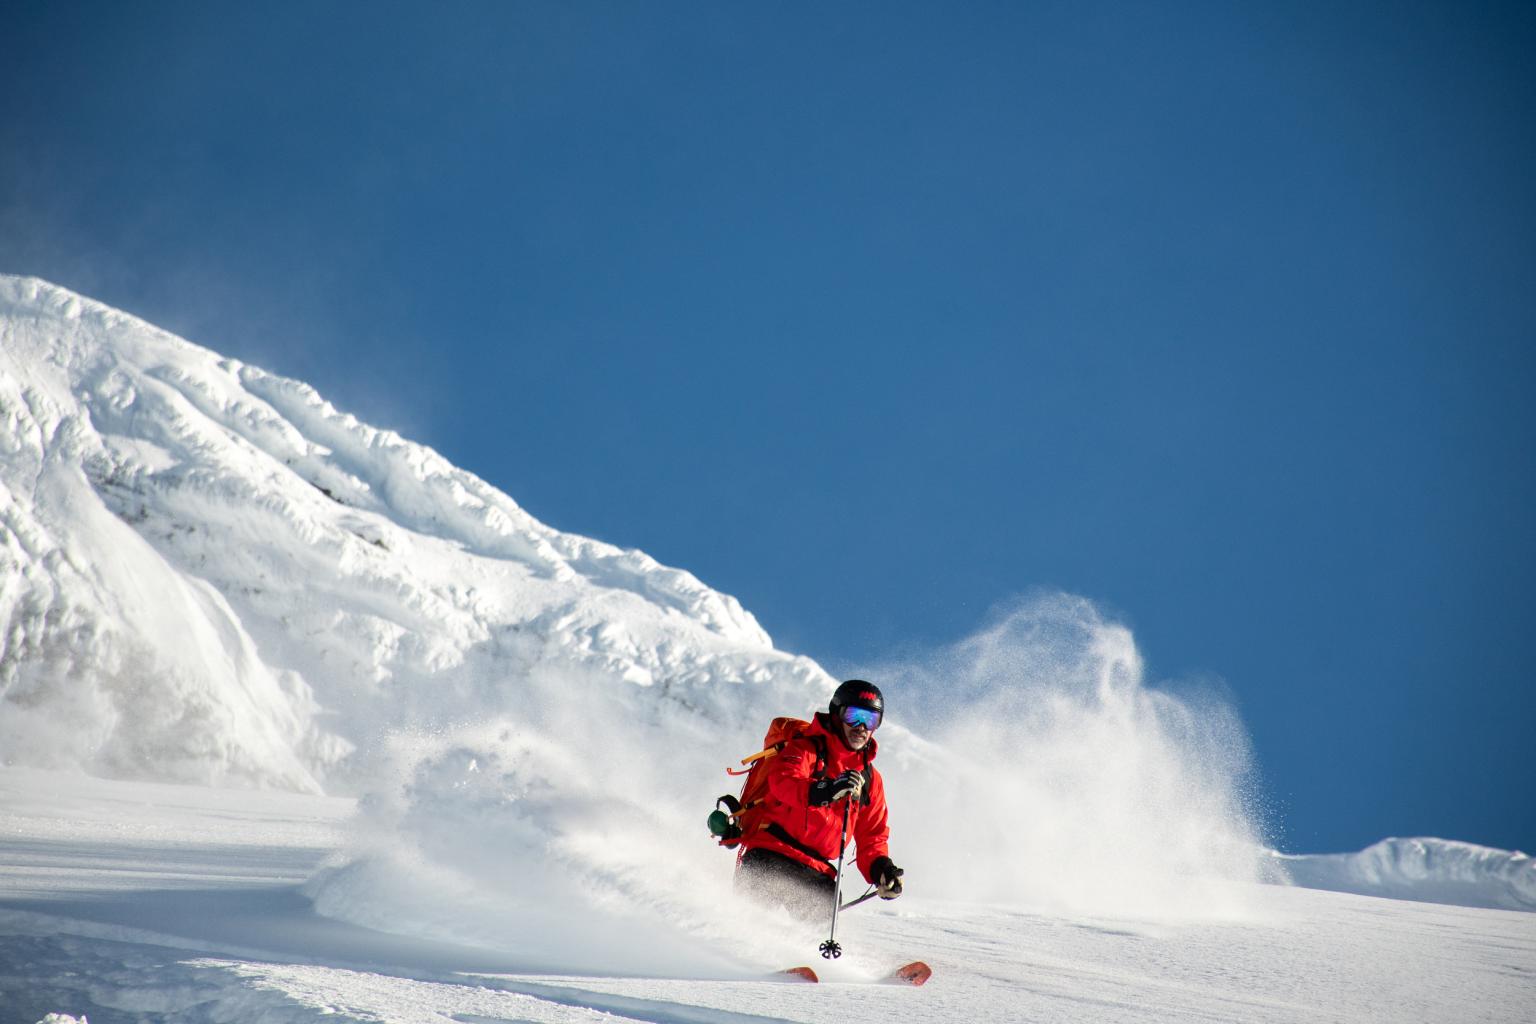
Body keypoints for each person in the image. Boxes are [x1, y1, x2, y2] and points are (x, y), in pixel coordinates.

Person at [734, 679, 905, 919]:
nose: (861, 727)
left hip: (818, 871)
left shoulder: (870, 780)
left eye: (871, 719)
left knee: (821, 921)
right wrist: (824, 790)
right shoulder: (806, 749)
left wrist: (881, 869)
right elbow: (783, 781)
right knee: (749, 922)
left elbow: (872, 835)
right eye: (854, 716)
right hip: (772, 853)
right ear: (836, 715)